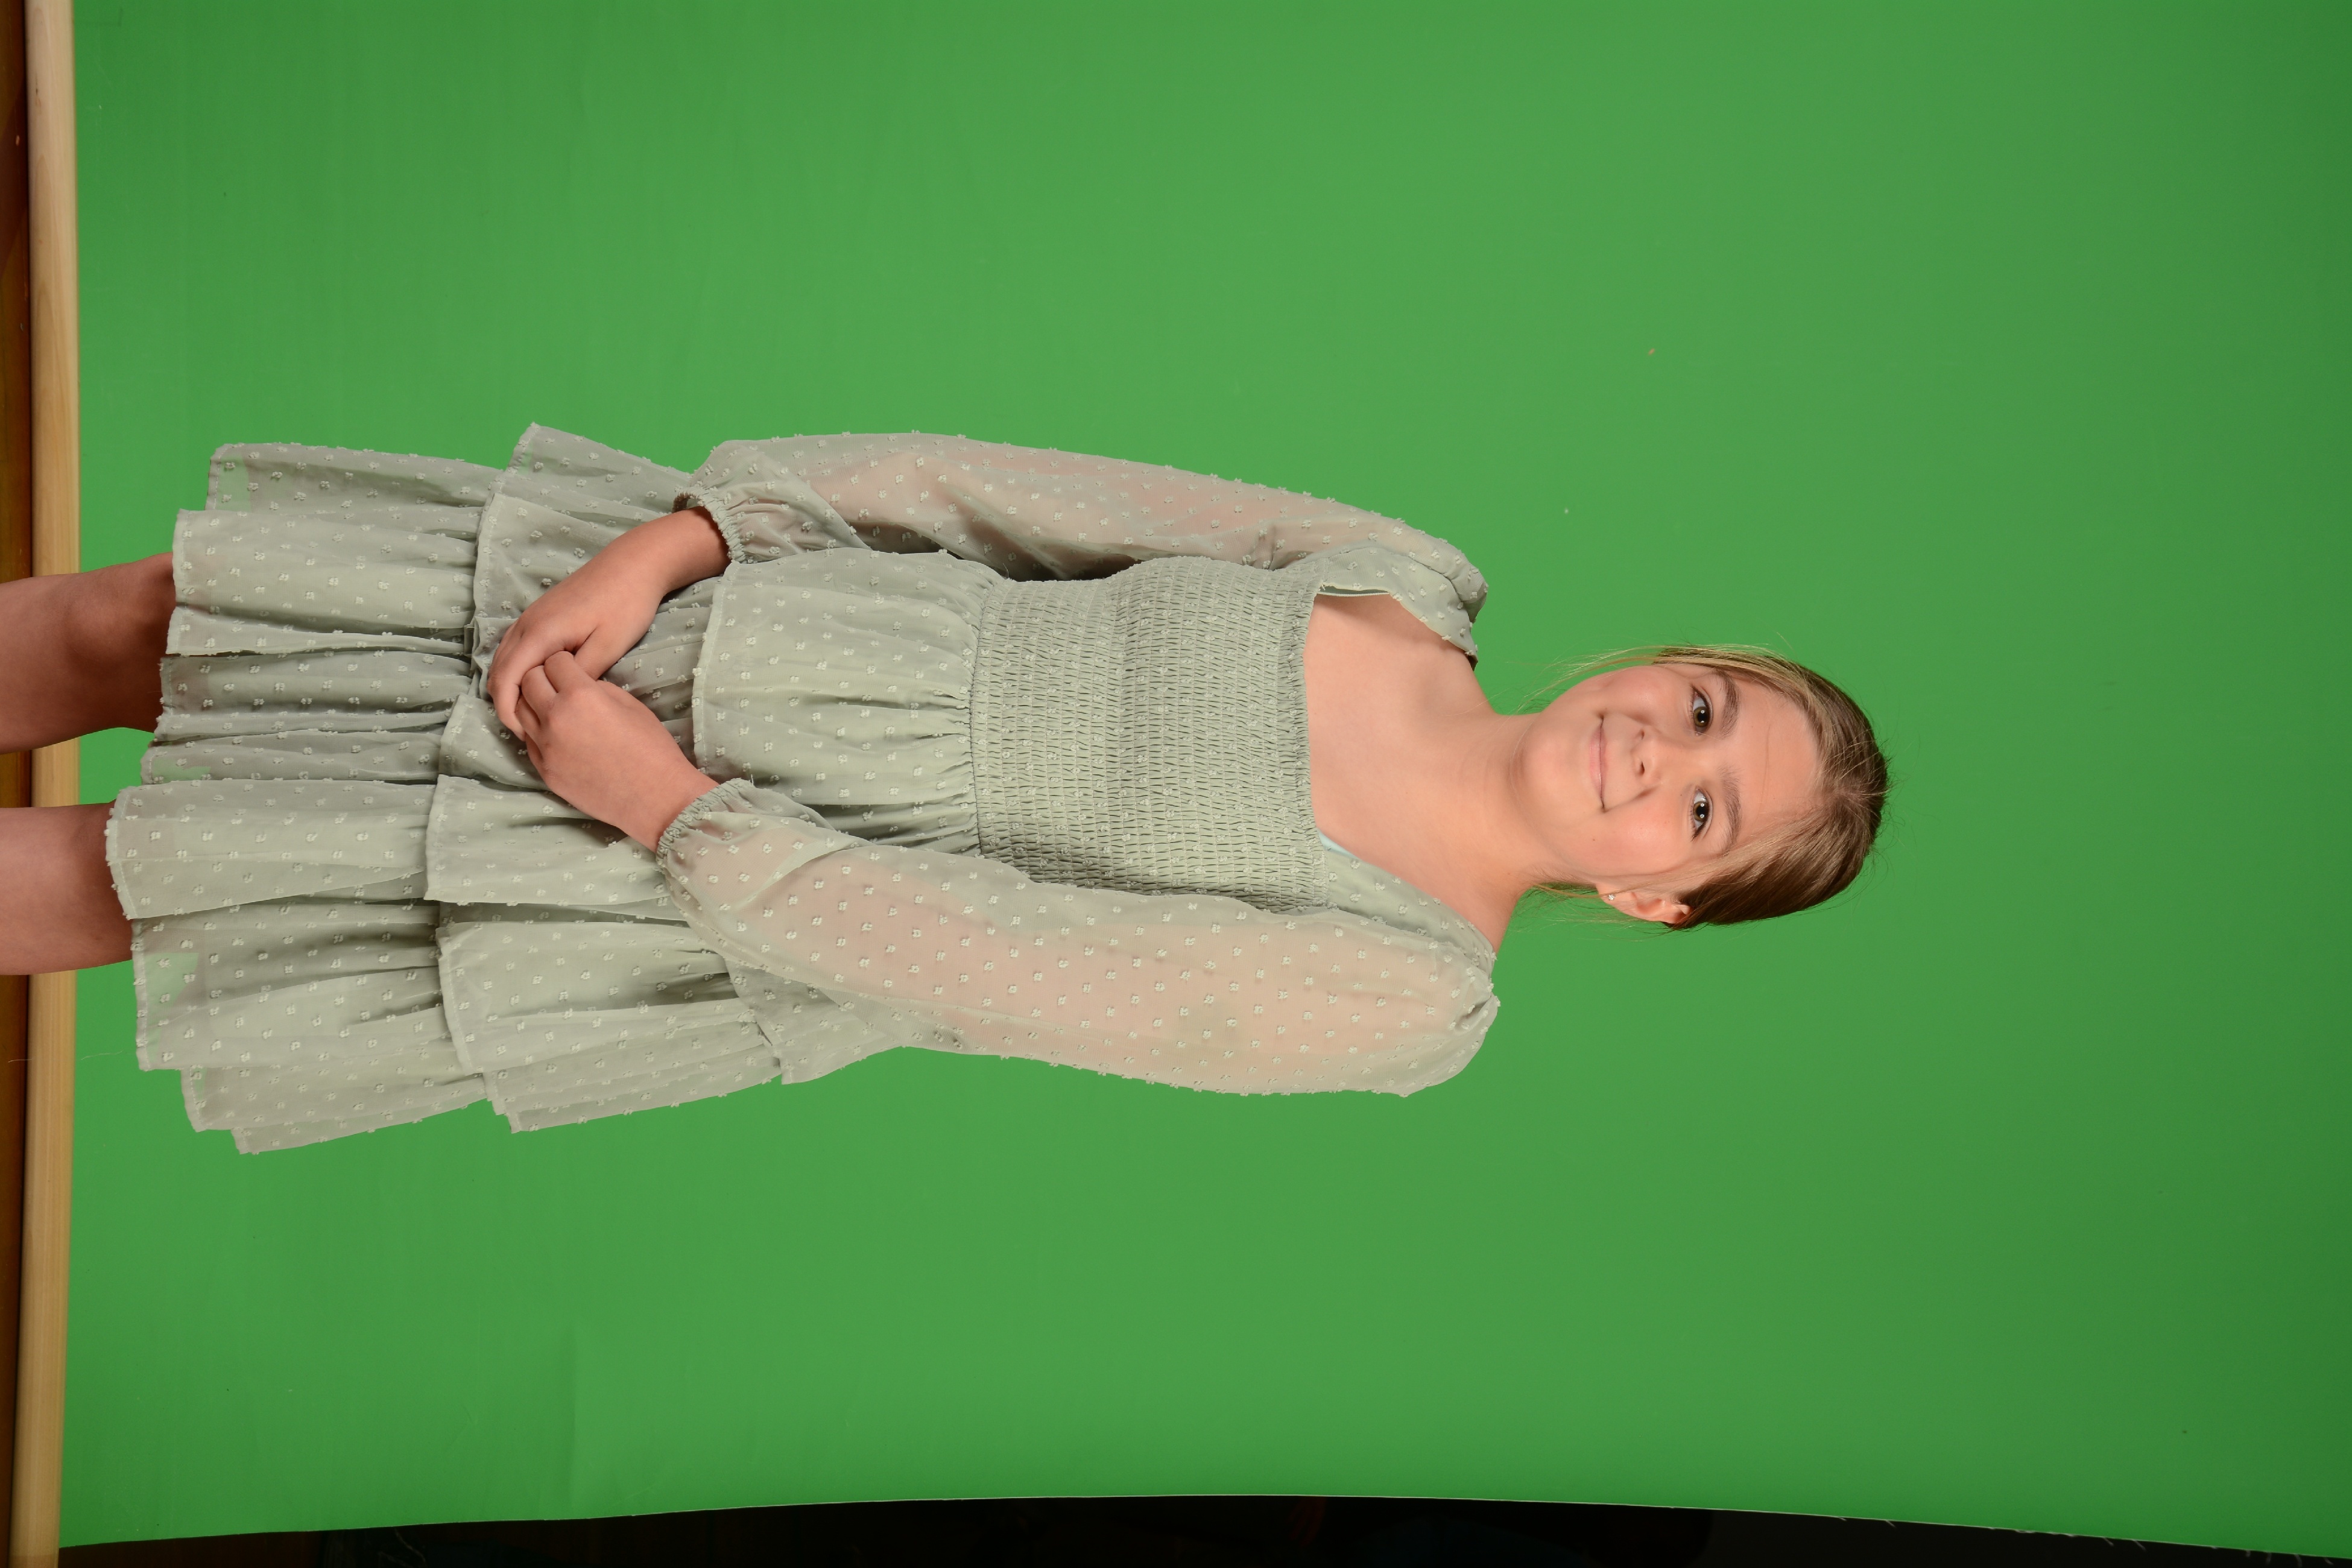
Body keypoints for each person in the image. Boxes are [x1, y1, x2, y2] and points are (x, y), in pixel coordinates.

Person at [0, 427, 1885, 1151]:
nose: (1662, 752)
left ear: (1653, 898)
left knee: (131, 867)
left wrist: (663, 806)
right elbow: (984, 491)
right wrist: (673, 542)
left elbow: (1003, 968)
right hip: (727, 606)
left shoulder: (1408, 993)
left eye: (1701, 812)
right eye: (1703, 706)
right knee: (141, 621)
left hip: (678, 856)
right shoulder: (1399, 576)